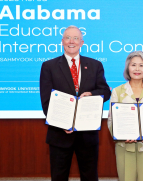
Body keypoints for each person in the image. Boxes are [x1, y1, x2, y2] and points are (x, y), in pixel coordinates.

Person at [40, 25, 111, 181]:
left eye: (76, 38)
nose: (71, 41)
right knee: (59, 177)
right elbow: (46, 100)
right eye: (68, 37)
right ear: (62, 41)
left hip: (87, 134)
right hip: (60, 134)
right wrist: (62, 122)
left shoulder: (95, 65)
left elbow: (105, 91)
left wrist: (92, 94)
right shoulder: (49, 66)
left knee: (90, 176)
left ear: (82, 42)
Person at [107, 51, 143, 181]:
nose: (137, 69)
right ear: (127, 67)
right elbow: (111, 120)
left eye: (141, 65)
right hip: (124, 147)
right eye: (133, 65)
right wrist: (121, 135)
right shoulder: (117, 91)